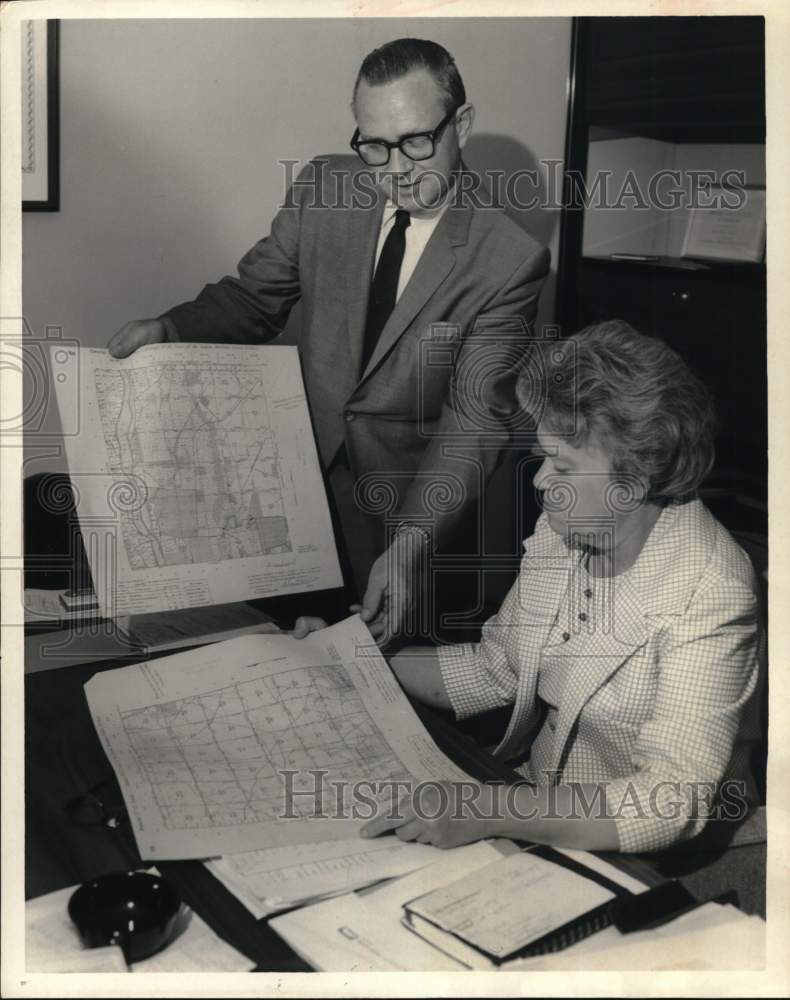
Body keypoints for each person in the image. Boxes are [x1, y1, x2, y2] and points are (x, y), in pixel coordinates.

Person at [107, 38, 550, 642]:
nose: (394, 169)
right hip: (293, 509)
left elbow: (473, 423)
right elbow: (251, 299)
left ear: (461, 125)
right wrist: (171, 328)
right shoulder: (324, 188)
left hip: (409, 526)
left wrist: (412, 544)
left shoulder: (509, 260)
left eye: (416, 142)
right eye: (373, 145)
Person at [295, 320, 762, 854]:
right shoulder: (567, 529)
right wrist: (346, 655)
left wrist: (489, 807)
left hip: (654, 855)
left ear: (634, 484)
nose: (540, 480)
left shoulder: (711, 589)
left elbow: (670, 801)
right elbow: (497, 671)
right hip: (533, 810)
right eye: (542, 456)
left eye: (562, 466)